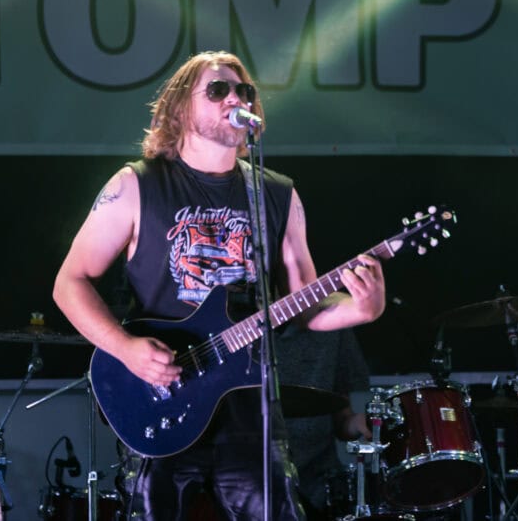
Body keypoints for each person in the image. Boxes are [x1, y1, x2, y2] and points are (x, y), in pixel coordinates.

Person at [52, 50, 386, 520]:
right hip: (163, 392)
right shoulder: (136, 185)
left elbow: (305, 304)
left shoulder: (277, 193)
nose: (235, 98)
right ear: (179, 108)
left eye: (243, 90)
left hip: (248, 401)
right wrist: (125, 349)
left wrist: (362, 309)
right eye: (217, 89)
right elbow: (70, 282)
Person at [275, 325, 372, 520]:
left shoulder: (336, 326)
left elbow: (341, 420)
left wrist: (358, 423)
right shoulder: (244, 327)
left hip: (320, 484)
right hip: (261, 481)